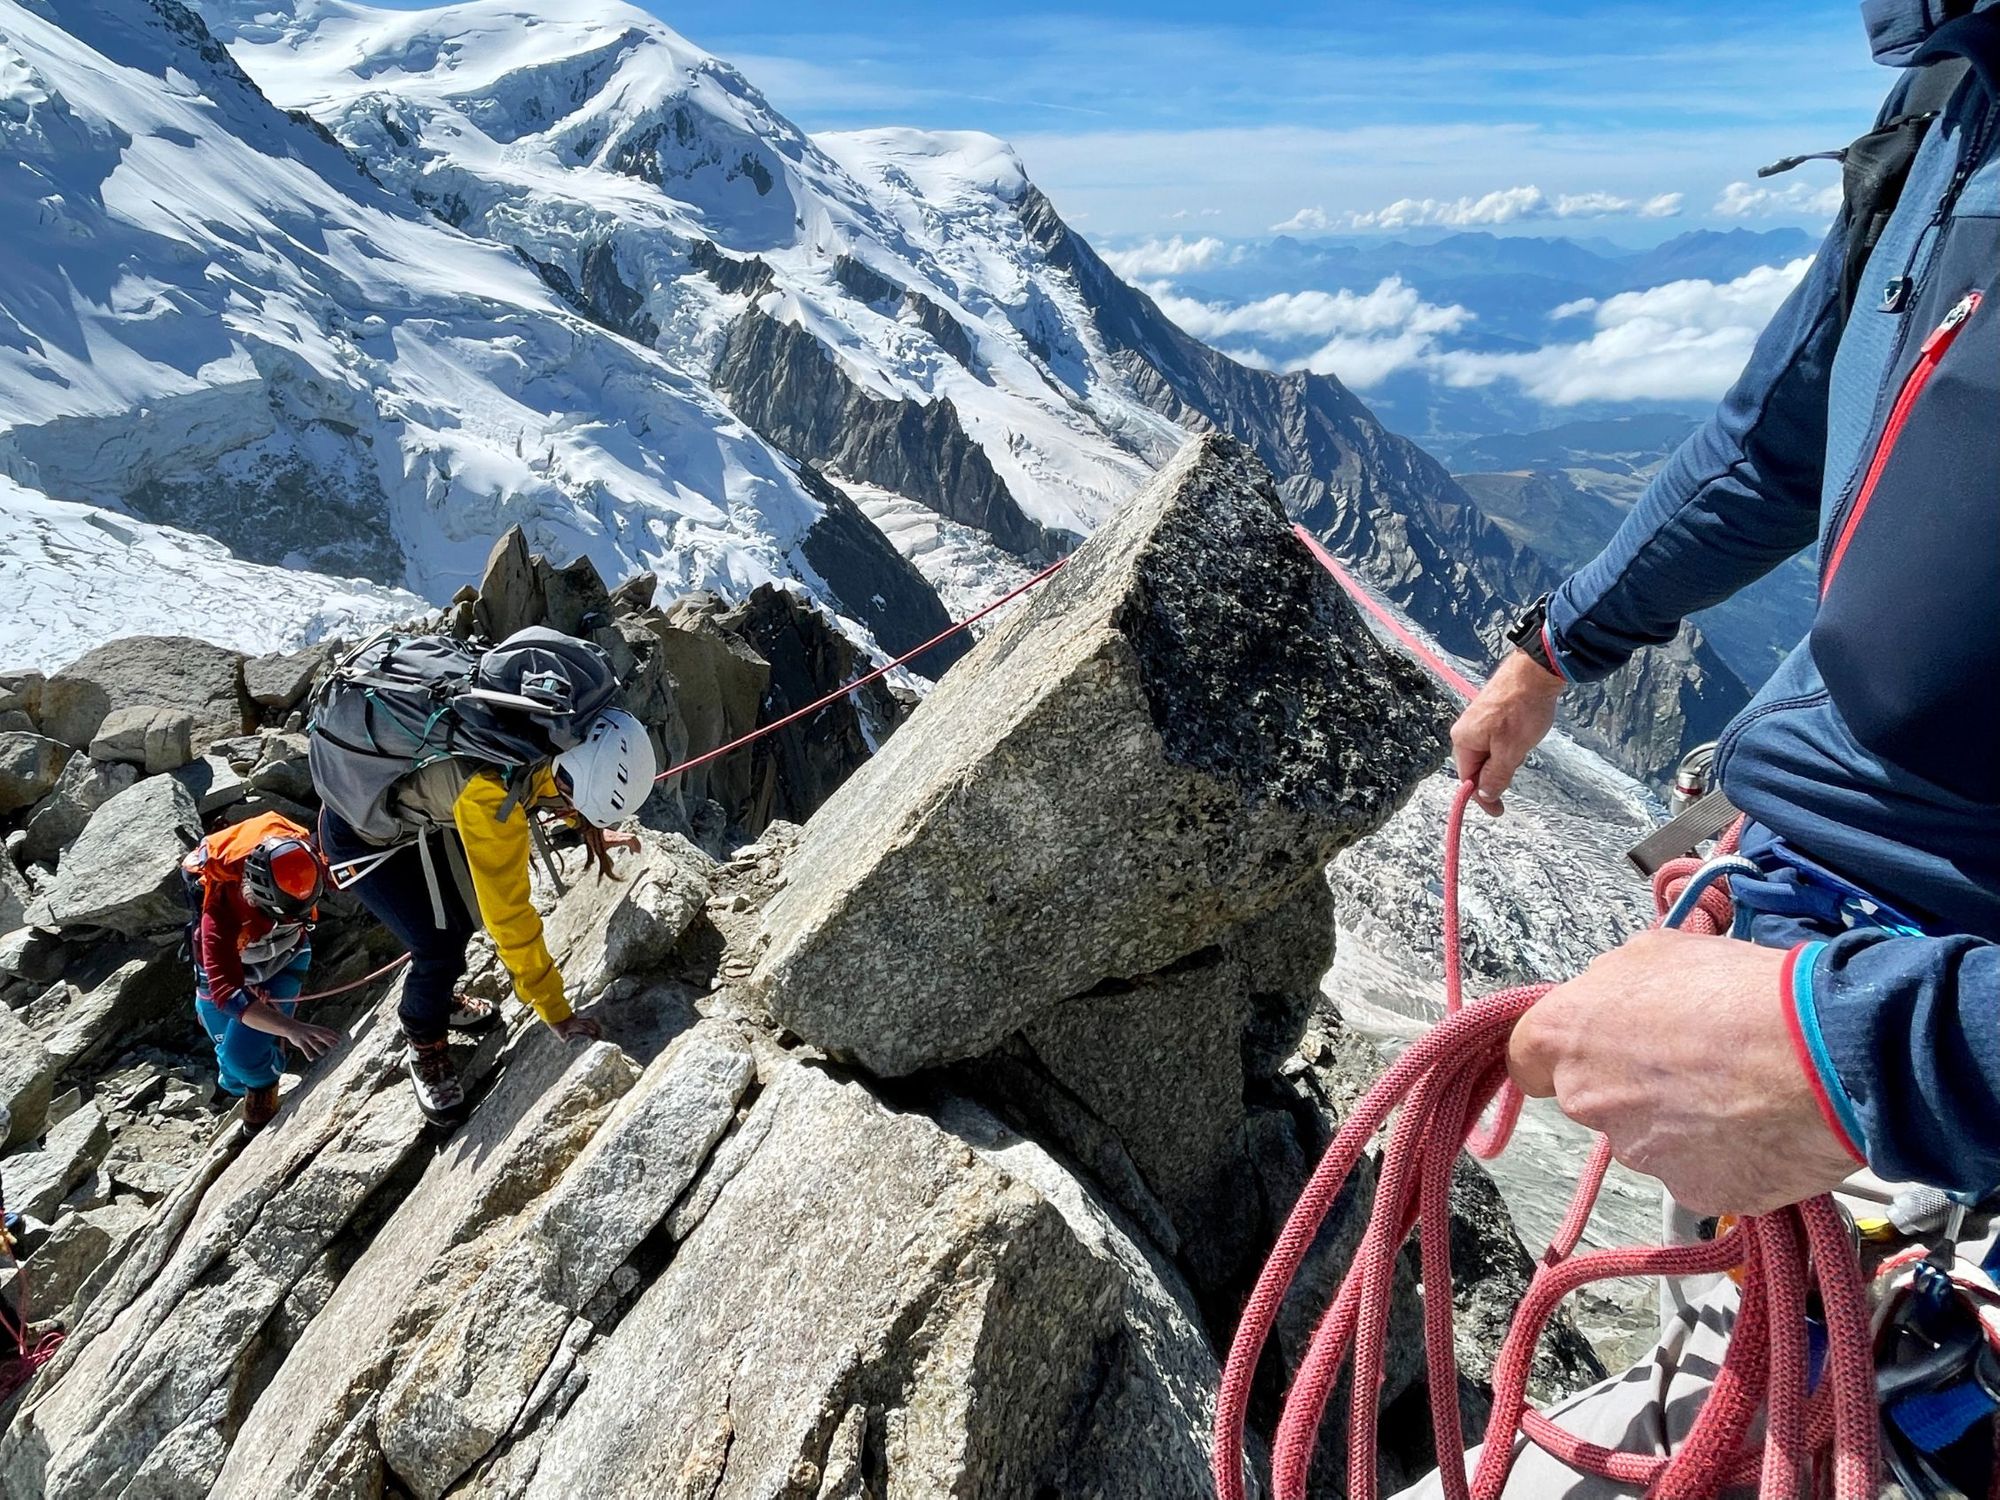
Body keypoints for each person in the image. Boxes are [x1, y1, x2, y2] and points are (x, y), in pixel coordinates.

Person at [1401, 2, 2000, 1492]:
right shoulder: (1952, 106)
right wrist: (1557, 646)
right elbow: (1776, 440)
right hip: (1819, 916)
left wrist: (1874, 1062)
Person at [316, 704, 656, 1124]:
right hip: (358, 838)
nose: (573, 811)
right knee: (439, 945)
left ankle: (439, 999)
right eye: (577, 805)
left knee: (460, 917)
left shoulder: (550, 733)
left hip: (419, 811)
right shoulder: (490, 797)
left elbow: (545, 785)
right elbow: (509, 917)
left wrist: (592, 826)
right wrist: (555, 1009)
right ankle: (423, 1042)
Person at [182, 813, 344, 1133]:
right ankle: (258, 1064)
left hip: (285, 961)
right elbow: (227, 995)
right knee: (229, 1071)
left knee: (240, 1057)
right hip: (230, 970)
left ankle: (264, 1086)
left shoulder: (306, 862)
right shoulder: (220, 912)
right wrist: (292, 1029)